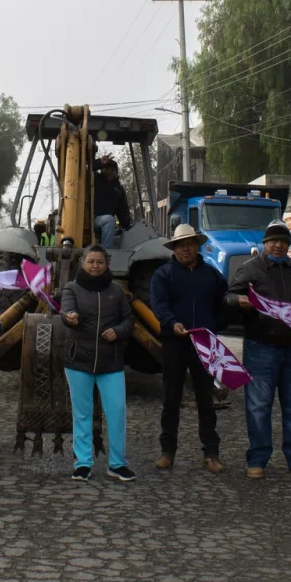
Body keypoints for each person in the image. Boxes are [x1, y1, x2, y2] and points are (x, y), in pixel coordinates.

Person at [227, 220, 291, 480]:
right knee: (258, 406)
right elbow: (228, 296)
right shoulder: (250, 270)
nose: (279, 245)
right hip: (260, 349)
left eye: (284, 241)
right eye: (274, 241)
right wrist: (239, 301)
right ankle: (258, 459)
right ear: (265, 243)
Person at [148, 223, 229, 473]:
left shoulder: (213, 275)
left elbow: (224, 304)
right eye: (181, 244)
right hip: (174, 343)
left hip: (205, 344)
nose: (186, 248)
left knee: (206, 399)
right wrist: (172, 324)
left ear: (198, 246)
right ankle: (167, 451)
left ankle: (211, 453)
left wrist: (213, 326)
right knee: (171, 399)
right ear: (174, 248)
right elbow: (158, 306)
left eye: (190, 243)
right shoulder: (163, 275)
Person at [59, 245, 137, 482]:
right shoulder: (71, 288)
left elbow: (129, 320)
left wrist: (118, 331)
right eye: (91, 261)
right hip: (78, 360)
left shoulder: (117, 291)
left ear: (106, 265)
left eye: (99, 262)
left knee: (117, 412)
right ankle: (83, 463)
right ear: (82, 263)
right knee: (82, 413)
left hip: (110, 362)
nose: (95, 266)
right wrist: (69, 317)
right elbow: (66, 311)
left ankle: (117, 463)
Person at [92, 157, 132, 248]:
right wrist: (99, 162)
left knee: (110, 221)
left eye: (112, 170)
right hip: (92, 219)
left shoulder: (119, 189)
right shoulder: (95, 180)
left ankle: (106, 251)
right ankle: (106, 252)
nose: (109, 172)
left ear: (116, 172)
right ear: (102, 170)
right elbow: (85, 168)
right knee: (109, 220)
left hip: (106, 223)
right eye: (106, 169)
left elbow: (122, 210)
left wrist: (127, 225)